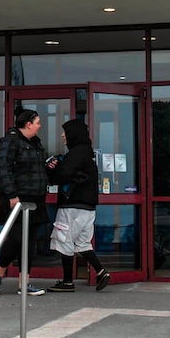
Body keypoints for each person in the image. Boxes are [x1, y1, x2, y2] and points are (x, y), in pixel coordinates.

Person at [0, 108, 49, 296]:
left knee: (29, 242)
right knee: (16, 238)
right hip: (16, 199)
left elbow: (36, 170)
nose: (39, 126)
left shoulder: (36, 143)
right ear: (28, 124)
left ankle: (25, 283)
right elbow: (3, 169)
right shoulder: (10, 141)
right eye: (37, 122)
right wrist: (13, 195)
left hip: (35, 199)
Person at [46, 118, 111, 292]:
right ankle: (101, 271)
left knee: (63, 239)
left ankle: (67, 281)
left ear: (73, 134)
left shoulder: (76, 153)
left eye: (65, 132)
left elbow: (63, 175)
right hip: (88, 208)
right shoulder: (86, 153)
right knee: (82, 243)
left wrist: (52, 168)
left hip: (72, 206)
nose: (62, 136)